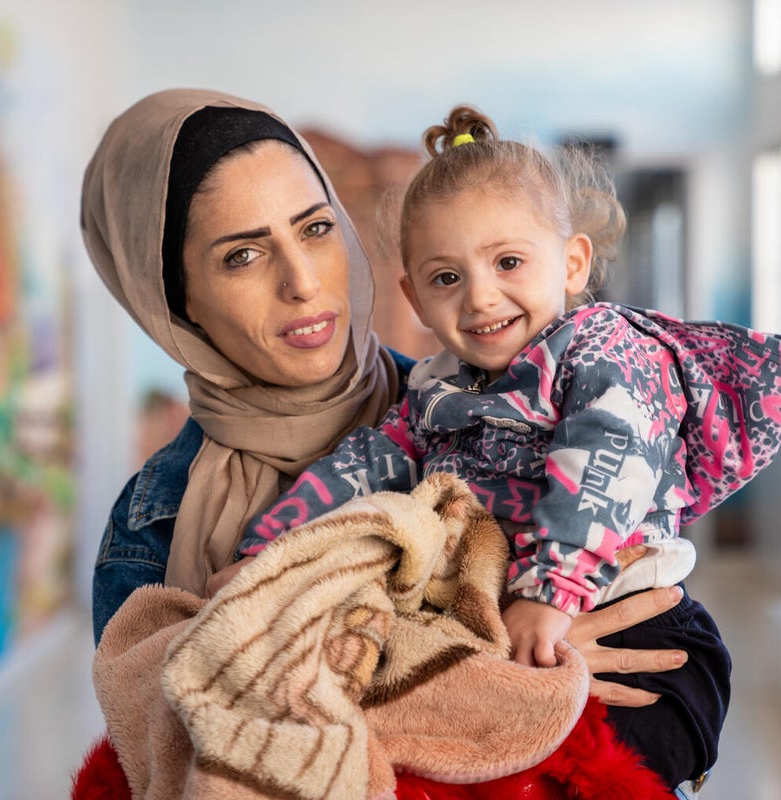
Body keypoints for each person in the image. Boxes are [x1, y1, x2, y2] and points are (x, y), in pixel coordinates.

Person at [82, 90, 730, 798]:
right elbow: (177, 760)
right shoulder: (158, 522)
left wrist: (556, 609)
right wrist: (489, 668)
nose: (302, 282)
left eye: (317, 228)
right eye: (241, 255)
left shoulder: (505, 383)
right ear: (172, 300)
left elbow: (615, 490)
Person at [223, 104, 781, 780]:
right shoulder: (437, 388)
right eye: (447, 278)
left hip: (626, 622)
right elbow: (363, 466)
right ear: (414, 299)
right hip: (501, 628)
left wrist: (550, 590)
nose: (480, 298)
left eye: (508, 262)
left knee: (618, 775)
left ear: (571, 263)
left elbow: (606, 456)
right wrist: (272, 552)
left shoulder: (602, 347)